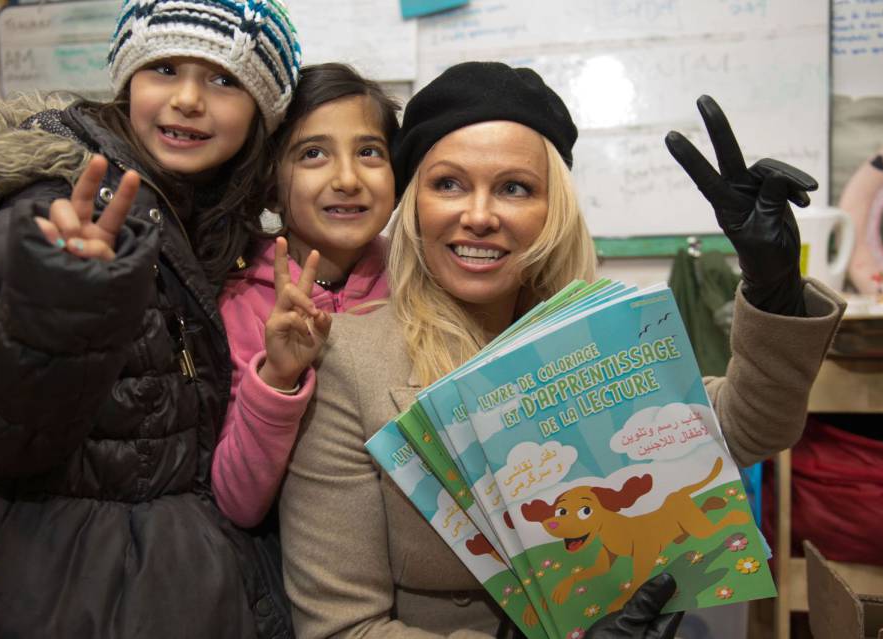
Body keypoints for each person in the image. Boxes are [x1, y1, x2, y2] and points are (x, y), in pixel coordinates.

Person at [278, 61, 846, 638]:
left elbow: (753, 427)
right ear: (414, 203)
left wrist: (772, 290)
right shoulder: (348, 361)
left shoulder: (601, 338)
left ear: (553, 210)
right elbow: (341, 629)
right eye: (448, 184)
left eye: (515, 188)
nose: (479, 216)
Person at [0, 1, 300, 637]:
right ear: (127, 81)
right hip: (53, 593)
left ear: (260, 114)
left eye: (224, 79)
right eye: (164, 68)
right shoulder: (53, 209)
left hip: (162, 589)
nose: (188, 99)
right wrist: (58, 309)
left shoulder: (218, 232)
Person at [213, 63, 400, 528]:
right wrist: (278, 377)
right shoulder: (239, 302)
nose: (348, 179)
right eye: (313, 153)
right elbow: (238, 504)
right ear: (271, 188)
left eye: (370, 152)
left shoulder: (417, 281)